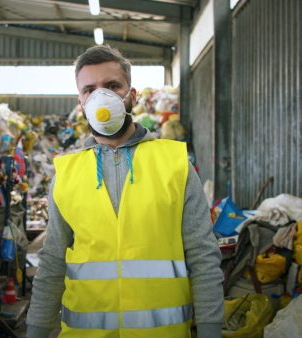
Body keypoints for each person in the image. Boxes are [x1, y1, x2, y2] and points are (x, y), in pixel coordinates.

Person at [26, 44, 224, 338]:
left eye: (112, 86)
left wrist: (210, 329)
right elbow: (53, 262)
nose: (100, 97)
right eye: (89, 89)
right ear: (80, 102)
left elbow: (203, 255)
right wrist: (36, 330)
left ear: (132, 95)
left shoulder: (175, 164)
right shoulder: (66, 174)